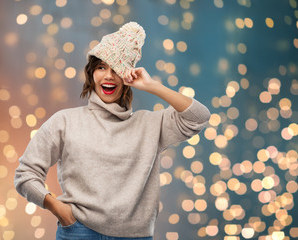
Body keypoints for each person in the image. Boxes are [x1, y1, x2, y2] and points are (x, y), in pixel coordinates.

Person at [14, 22, 211, 239]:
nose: (108, 76)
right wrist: (58, 209)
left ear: (128, 78)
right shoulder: (65, 121)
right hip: (78, 232)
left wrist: (152, 85)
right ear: (91, 73)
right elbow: (26, 174)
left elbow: (199, 117)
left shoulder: (150, 124)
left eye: (116, 69)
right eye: (101, 67)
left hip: (134, 236)